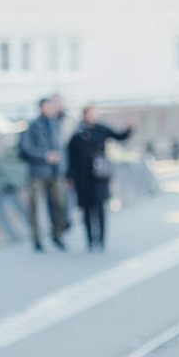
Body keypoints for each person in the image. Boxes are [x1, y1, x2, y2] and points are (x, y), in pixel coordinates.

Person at [66, 104, 133, 252]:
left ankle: (101, 240)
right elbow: (70, 156)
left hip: (99, 175)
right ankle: (90, 240)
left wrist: (129, 129)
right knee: (86, 210)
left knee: (100, 209)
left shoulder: (101, 129)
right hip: (82, 176)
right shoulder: (77, 133)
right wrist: (70, 175)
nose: (93, 116)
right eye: (90, 113)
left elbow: (118, 136)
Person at [19, 96, 69, 252]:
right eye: (49, 106)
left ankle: (57, 235)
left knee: (59, 205)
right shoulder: (33, 126)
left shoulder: (56, 124)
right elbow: (25, 148)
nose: (52, 109)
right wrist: (44, 155)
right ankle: (37, 239)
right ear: (41, 108)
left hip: (56, 172)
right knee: (36, 207)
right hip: (38, 173)